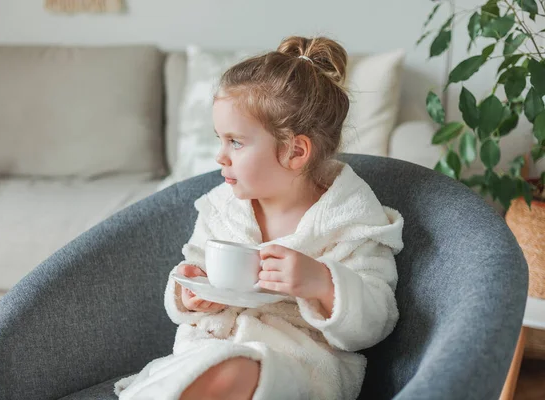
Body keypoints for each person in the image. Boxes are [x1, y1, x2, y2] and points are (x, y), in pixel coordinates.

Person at [115, 35, 404, 400]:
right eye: (219, 139)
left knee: (235, 372)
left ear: (294, 151)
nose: (220, 156)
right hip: (208, 350)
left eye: (235, 142)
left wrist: (322, 282)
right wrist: (190, 293)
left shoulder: (352, 220)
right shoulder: (222, 207)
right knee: (202, 374)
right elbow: (193, 269)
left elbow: (377, 321)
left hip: (301, 365)